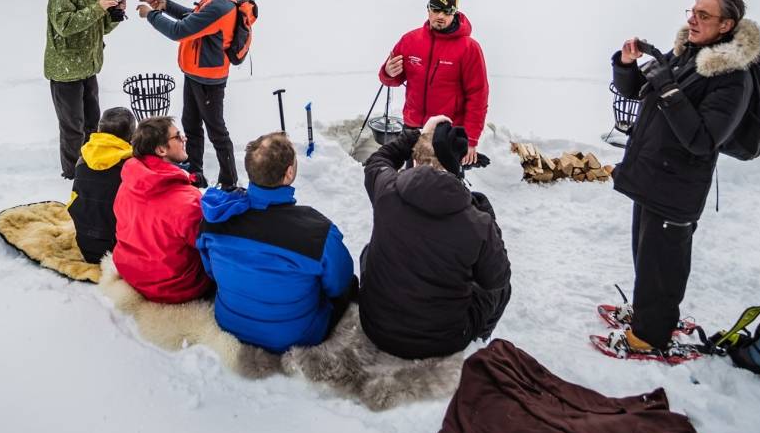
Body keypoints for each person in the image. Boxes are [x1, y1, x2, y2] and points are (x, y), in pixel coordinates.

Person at [608, 0, 760, 355]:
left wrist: (666, 83)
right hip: (650, 174)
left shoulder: (732, 76)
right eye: (692, 11)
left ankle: (649, 335)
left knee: (664, 266)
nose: (692, 19)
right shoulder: (688, 56)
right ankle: (646, 314)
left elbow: (703, 138)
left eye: (703, 15)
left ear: (727, 25)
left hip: (677, 186)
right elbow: (644, 94)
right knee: (646, 256)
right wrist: (629, 65)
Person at [359, 115, 512, 359]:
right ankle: (477, 340)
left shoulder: (386, 190)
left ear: (415, 160)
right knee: (501, 289)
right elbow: (497, 278)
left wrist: (416, 134)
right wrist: (488, 218)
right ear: (456, 166)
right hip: (443, 342)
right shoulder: (477, 221)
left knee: (369, 251)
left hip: (376, 328)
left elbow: (378, 160)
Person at [196, 132, 356, 353]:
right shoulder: (317, 232)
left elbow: (211, 271)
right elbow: (338, 283)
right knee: (350, 284)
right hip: (295, 336)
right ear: (289, 173)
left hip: (229, 323)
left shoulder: (216, 218)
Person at [137, 0, 240, 189]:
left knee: (216, 130)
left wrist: (151, 15)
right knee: (191, 124)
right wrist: (166, 6)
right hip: (196, 73)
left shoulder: (222, 5)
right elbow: (194, 17)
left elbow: (180, 31)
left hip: (209, 78)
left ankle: (229, 182)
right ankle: (195, 171)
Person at [379, 0, 489, 166]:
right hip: (413, 130)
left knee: (443, 189)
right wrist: (388, 72)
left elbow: (478, 96)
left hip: (446, 134)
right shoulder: (410, 40)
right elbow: (389, 79)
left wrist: (470, 139)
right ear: (428, 9)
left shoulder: (469, 48)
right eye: (436, 10)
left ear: (455, 13)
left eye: (447, 12)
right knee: (410, 185)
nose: (440, 16)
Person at [44, 0, 125, 180]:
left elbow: (99, 28)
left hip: (88, 67)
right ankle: (73, 174)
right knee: (72, 127)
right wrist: (98, 8)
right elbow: (65, 26)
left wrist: (114, 15)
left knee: (93, 123)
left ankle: (92, 166)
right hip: (65, 70)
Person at [112, 116, 213, 303]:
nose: (184, 139)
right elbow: (210, 246)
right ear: (160, 149)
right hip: (175, 286)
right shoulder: (186, 201)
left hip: (131, 272)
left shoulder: (128, 184)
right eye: (177, 137)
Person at [67, 107, 136, 264]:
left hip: (84, 244)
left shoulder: (83, 159)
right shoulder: (132, 166)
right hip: (117, 250)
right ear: (131, 135)